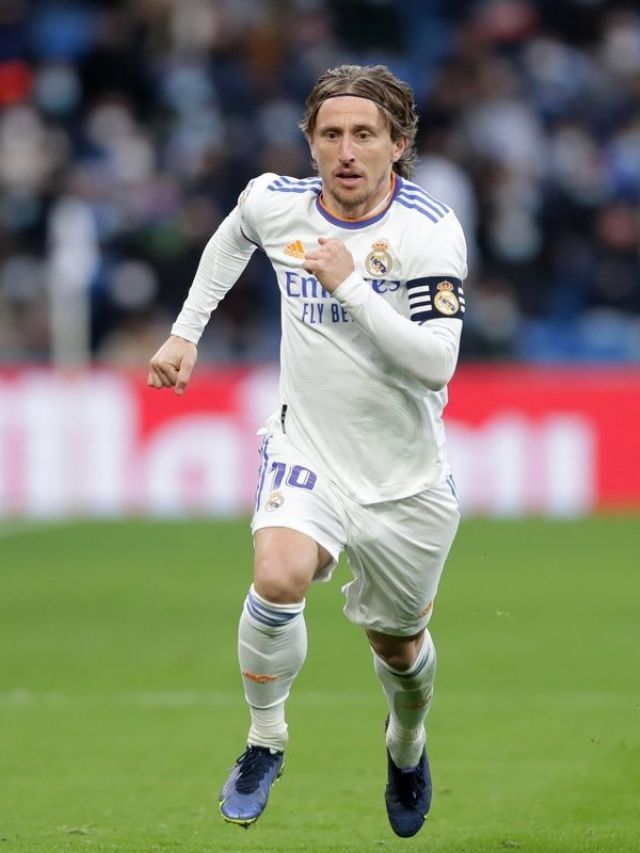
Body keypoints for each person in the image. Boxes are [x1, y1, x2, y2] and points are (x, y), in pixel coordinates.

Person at [148, 63, 467, 839]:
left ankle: (406, 743)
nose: (346, 151)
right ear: (311, 141)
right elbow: (232, 236)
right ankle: (266, 738)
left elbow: (436, 363)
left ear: (398, 143)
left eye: (365, 134)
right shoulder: (276, 202)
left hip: (404, 477)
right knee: (278, 572)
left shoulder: (429, 229)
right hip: (307, 447)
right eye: (331, 134)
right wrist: (186, 333)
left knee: (398, 647)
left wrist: (350, 285)